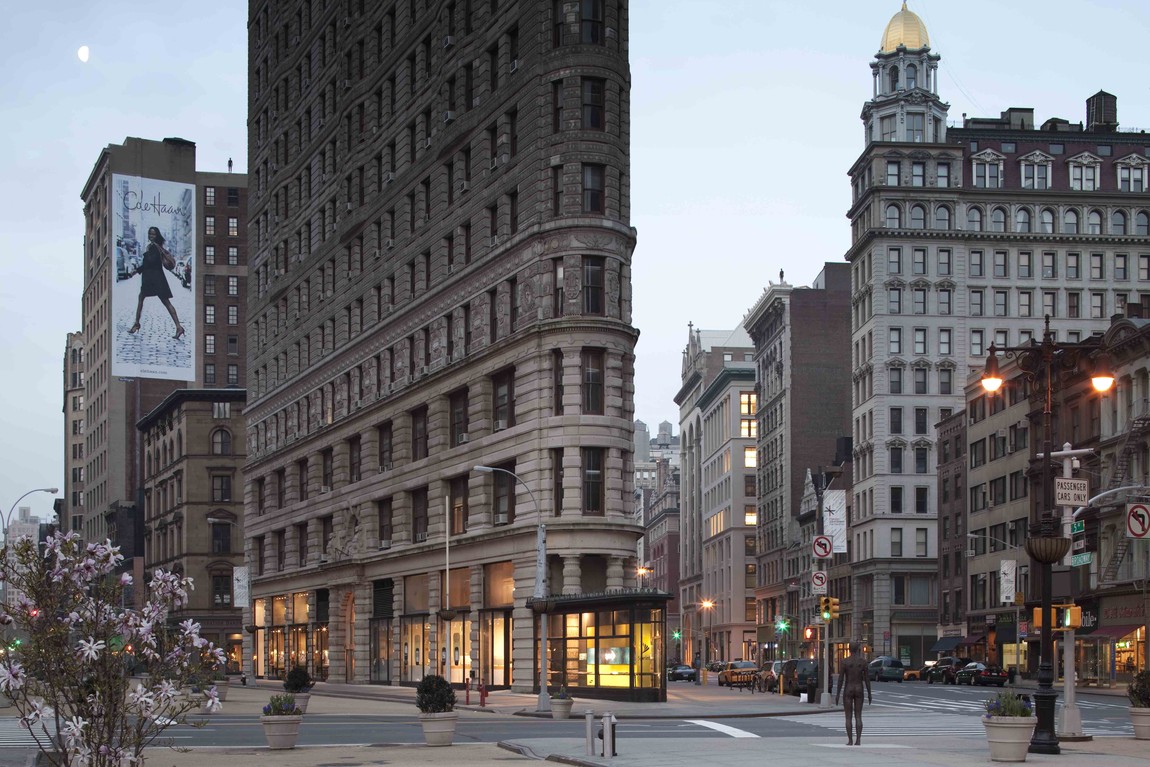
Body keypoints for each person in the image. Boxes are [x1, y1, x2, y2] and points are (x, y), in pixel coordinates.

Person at [128, 226, 186, 339]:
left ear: (157, 235)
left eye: (153, 234)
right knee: (143, 299)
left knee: (165, 302)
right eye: (150, 233)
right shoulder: (154, 247)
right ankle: (137, 323)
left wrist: (136, 270)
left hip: (154, 280)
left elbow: (149, 262)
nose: (151, 236)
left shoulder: (154, 247)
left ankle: (178, 327)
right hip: (153, 279)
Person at [835, 641, 872, 746]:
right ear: (857, 649)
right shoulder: (863, 662)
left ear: (849, 649)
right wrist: (869, 693)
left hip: (848, 688)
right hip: (859, 688)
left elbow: (841, 679)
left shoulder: (845, 662)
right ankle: (858, 740)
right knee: (858, 716)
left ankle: (850, 740)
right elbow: (867, 679)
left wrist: (837, 694)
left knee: (848, 717)